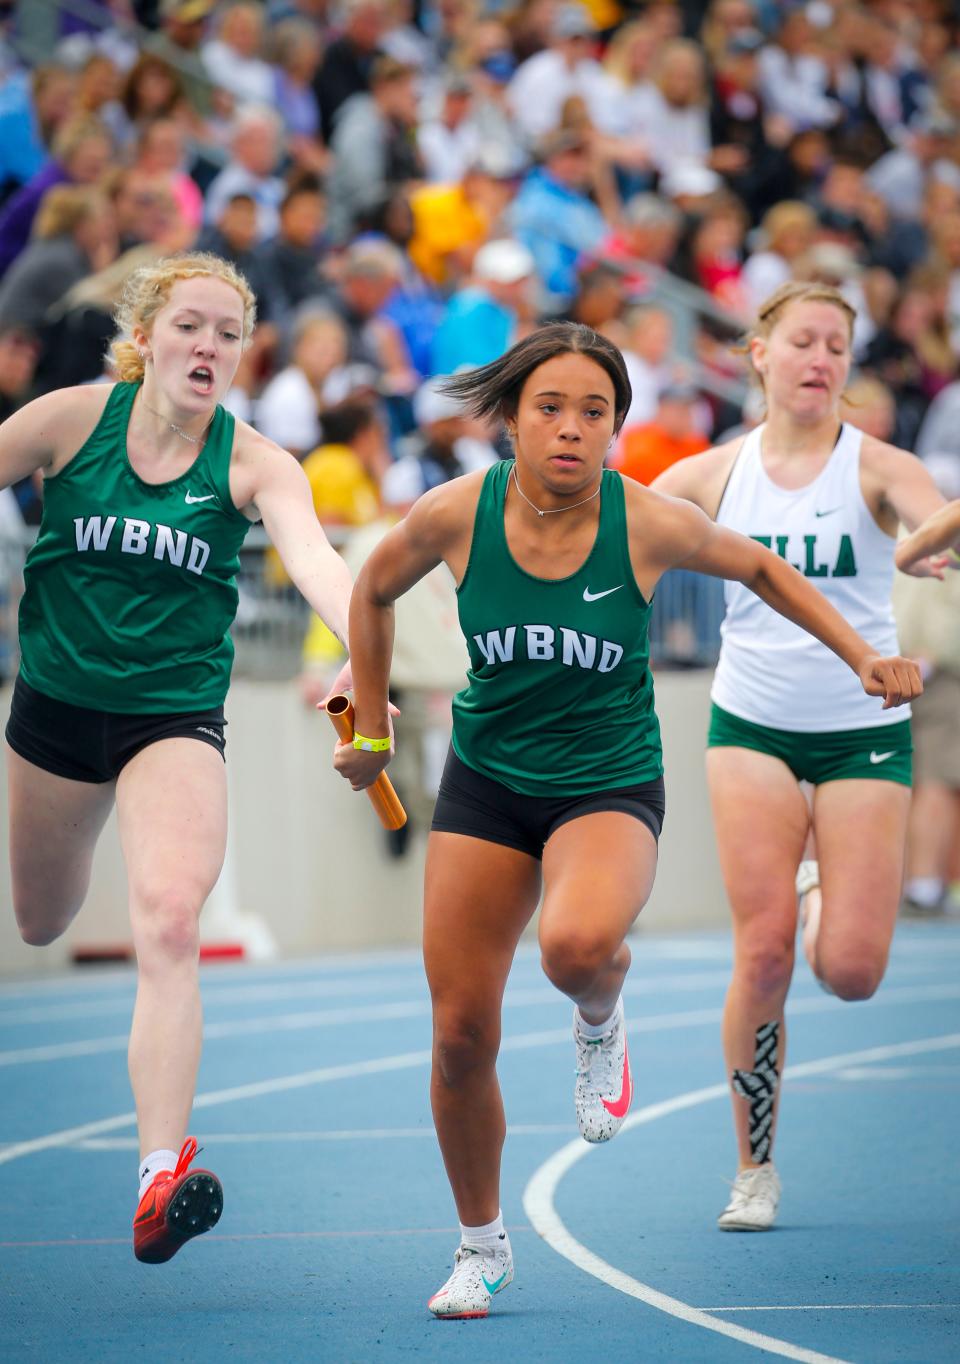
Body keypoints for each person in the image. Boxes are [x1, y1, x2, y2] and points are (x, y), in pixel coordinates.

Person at [332, 320, 920, 1318]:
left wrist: (859, 655)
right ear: (510, 421)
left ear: (616, 427)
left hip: (606, 782)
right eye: (549, 407)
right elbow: (371, 590)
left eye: (593, 411)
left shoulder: (644, 520)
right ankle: (481, 1243)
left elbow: (766, 571)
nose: (570, 428)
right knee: (460, 1031)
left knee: (575, 943)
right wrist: (377, 729)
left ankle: (600, 1009)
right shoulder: (451, 514)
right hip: (487, 781)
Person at [2, 251, 353, 1264]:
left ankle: (158, 1172)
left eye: (229, 334)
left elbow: (319, 562)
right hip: (57, 713)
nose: (208, 347)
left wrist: (357, 656)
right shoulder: (72, 419)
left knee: (167, 917)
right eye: (190, 326)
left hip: (172, 719)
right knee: (41, 917)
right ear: (147, 333)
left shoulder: (255, 462)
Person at [652, 281, 946, 1235]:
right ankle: (754, 1167)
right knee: (764, 948)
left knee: (852, 972)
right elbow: (617, 536)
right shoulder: (712, 475)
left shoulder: (878, 465)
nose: (821, 360)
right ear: (759, 354)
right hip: (752, 727)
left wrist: (938, 536)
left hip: (863, 729)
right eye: (804, 342)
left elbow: (927, 522)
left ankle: (821, 890)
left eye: (838, 348)